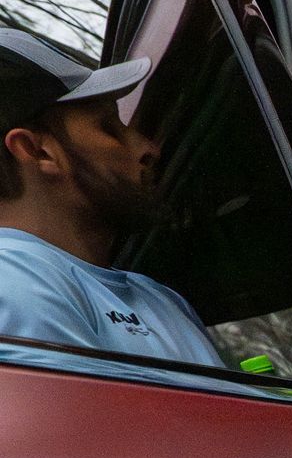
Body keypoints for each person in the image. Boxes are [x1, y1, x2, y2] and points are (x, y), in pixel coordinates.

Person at [0, 28, 219, 366]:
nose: (149, 149)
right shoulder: (12, 280)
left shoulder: (158, 299)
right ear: (38, 151)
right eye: (110, 127)